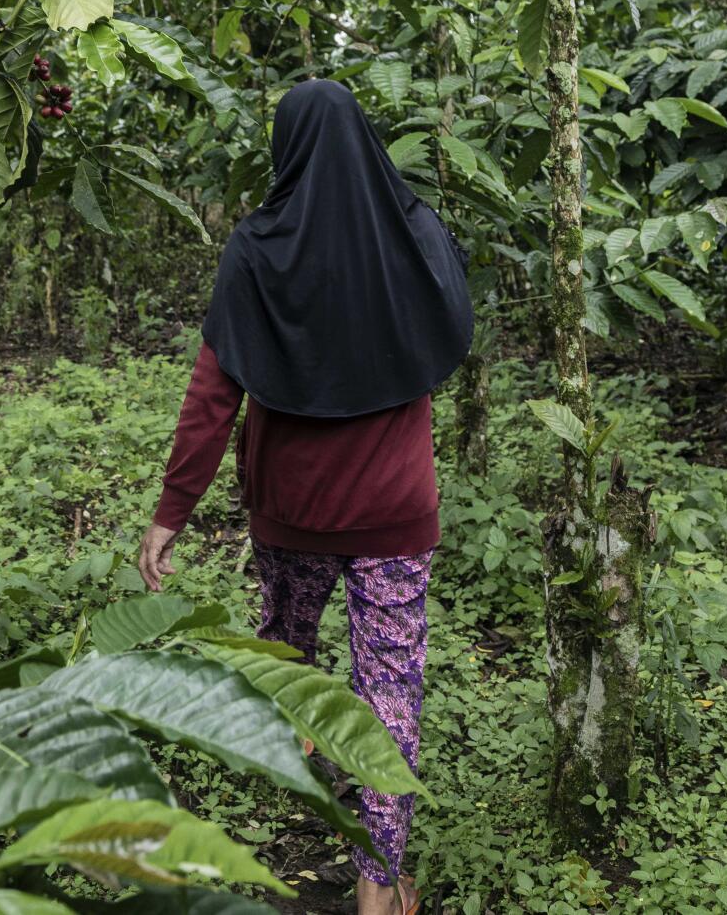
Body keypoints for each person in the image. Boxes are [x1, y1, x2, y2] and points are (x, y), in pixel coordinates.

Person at [137, 79, 474, 915]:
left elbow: (212, 397)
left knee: (287, 653)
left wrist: (171, 511)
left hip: (293, 513)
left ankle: (306, 758)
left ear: (284, 150)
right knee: (389, 690)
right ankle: (376, 879)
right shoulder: (418, 234)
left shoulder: (255, 248)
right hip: (396, 510)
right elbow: (454, 332)